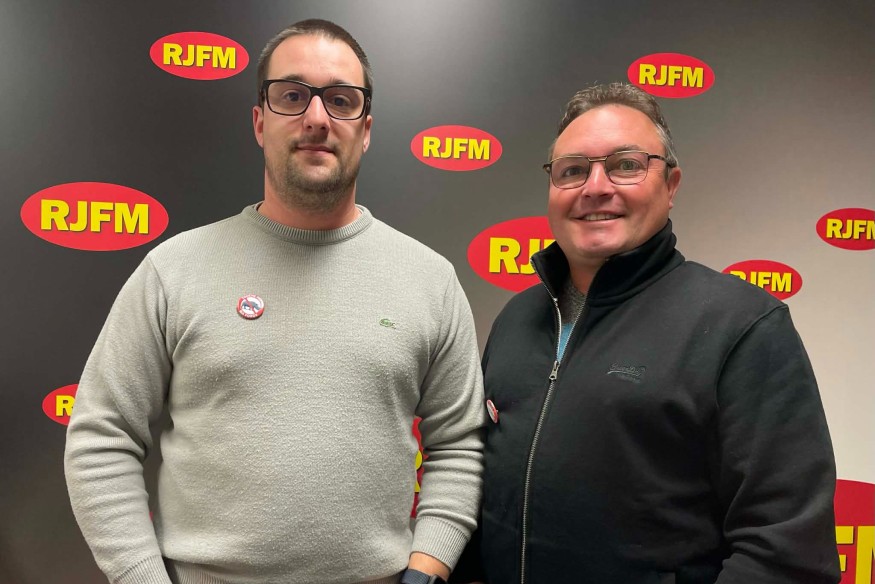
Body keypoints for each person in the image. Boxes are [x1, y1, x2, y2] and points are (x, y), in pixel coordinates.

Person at [64, 19, 483, 584]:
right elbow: (101, 436)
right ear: (260, 122)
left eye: (341, 100)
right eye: (292, 96)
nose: (317, 118)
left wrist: (427, 569)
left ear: (366, 130)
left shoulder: (430, 280)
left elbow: (458, 447)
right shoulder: (174, 270)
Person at [454, 83, 840, 583]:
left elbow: (786, 552)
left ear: (671, 185)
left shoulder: (742, 326)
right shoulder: (517, 319)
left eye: (626, 165)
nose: (595, 187)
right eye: (572, 170)